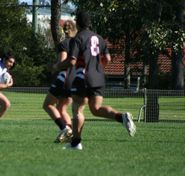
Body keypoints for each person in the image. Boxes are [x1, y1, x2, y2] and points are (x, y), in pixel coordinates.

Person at [55, 11, 136, 150]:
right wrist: (97, 69)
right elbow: (108, 59)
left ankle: (75, 143)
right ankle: (122, 117)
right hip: (98, 77)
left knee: (77, 110)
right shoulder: (100, 38)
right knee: (96, 109)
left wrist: (56, 66)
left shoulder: (78, 38)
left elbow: (72, 61)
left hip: (82, 77)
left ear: (77, 23)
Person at [43, 20, 77, 143]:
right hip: (76, 78)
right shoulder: (79, 43)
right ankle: (71, 134)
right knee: (62, 108)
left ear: (64, 30)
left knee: (47, 105)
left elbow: (63, 62)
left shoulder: (64, 44)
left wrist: (53, 67)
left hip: (64, 77)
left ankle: (64, 129)